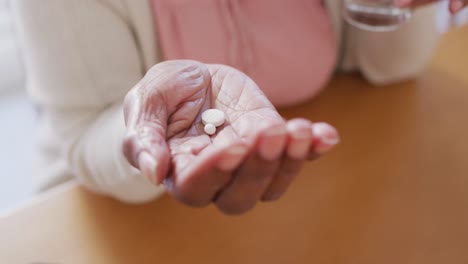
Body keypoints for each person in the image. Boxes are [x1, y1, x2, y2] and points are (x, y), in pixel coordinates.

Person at [11, 0, 465, 215]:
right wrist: (157, 133)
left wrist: (404, 6)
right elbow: (87, 129)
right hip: (106, 215)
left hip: (312, 206)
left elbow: (386, 66)